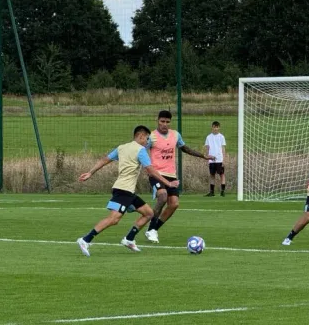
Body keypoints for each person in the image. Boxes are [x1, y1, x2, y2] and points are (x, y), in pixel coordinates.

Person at [76, 125, 179, 257]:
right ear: (140, 136)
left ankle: (129, 239)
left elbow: (104, 160)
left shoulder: (121, 147)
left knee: (149, 213)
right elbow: (151, 170)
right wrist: (168, 183)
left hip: (127, 191)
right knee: (114, 219)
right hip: (123, 190)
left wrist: (90, 173)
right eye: (147, 139)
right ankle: (85, 240)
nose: (147, 142)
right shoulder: (141, 150)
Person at [145, 110, 215, 244]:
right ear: (157, 121)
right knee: (163, 196)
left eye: (167, 122)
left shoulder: (175, 135)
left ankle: (153, 229)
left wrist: (203, 156)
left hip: (171, 175)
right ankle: (152, 227)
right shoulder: (152, 137)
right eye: (162, 121)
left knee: (174, 204)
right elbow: (140, 151)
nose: (164, 124)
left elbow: (185, 148)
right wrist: (145, 167)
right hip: (156, 173)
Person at [204, 121, 226, 197]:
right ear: (212, 127)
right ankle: (212, 192)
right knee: (212, 175)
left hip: (219, 159)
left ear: (219, 128)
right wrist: (207, 158)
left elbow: (223, 148)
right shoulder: (208, 137)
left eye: (217, 127)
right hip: (211, 159)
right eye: (214, 127)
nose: (215, 128)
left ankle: (222, 191)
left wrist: (224, 160)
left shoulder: (221, 137)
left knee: (222, 174)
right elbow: (207, 148)